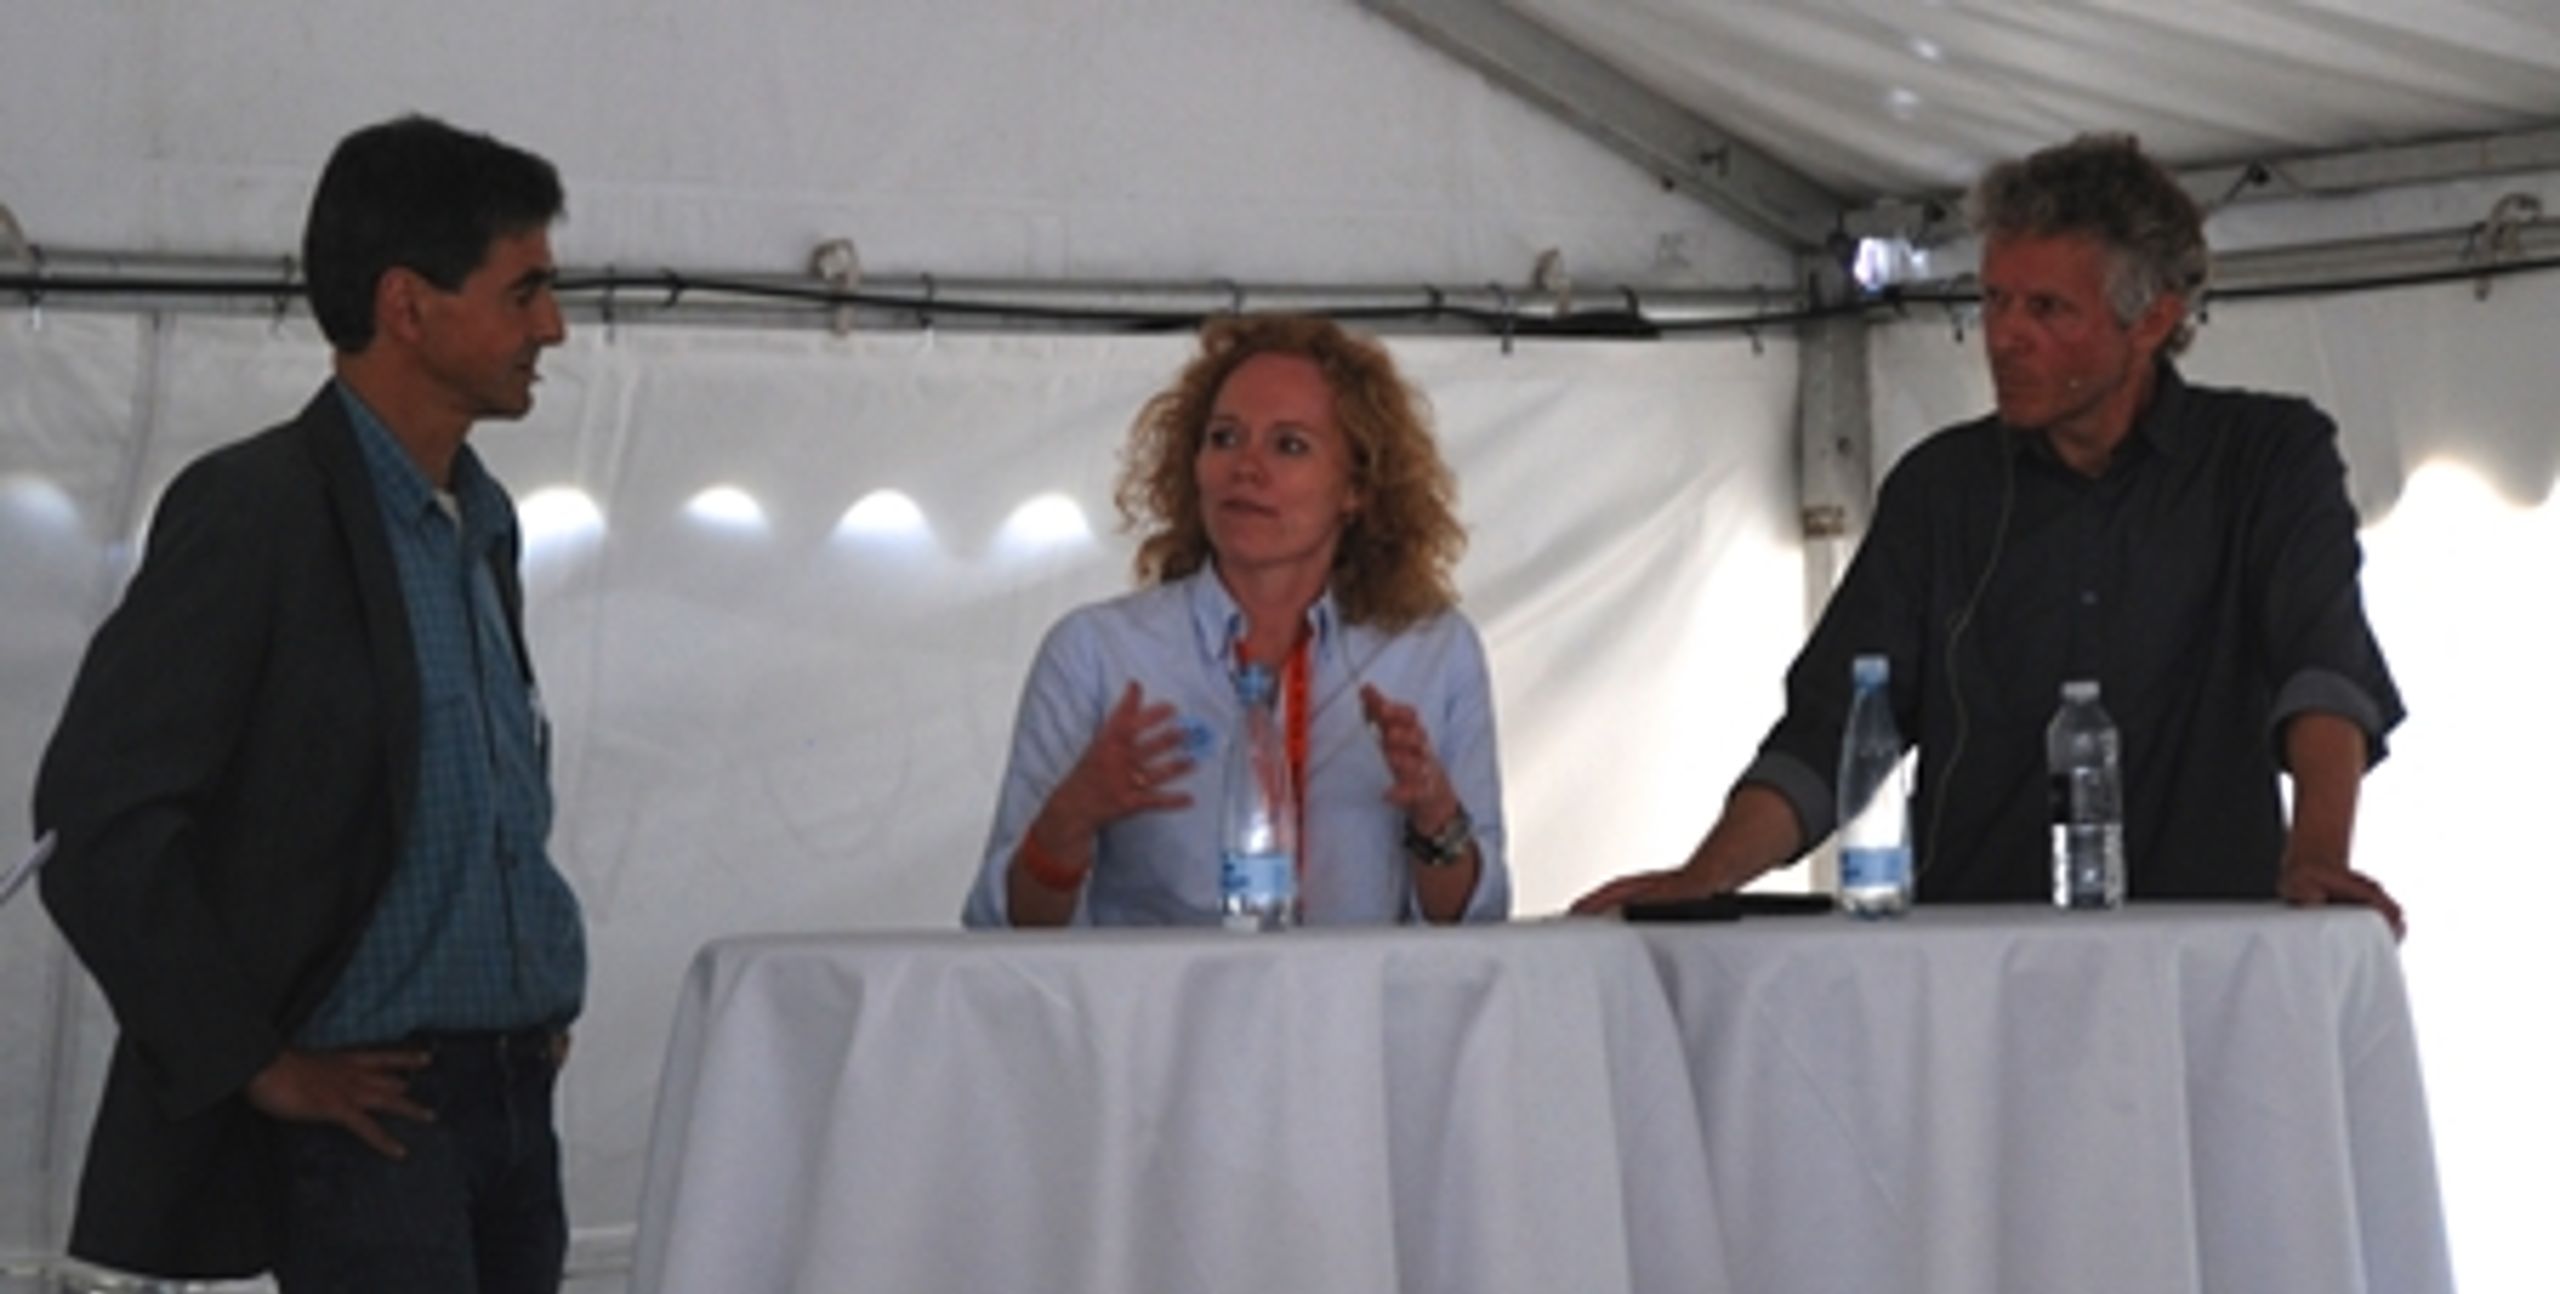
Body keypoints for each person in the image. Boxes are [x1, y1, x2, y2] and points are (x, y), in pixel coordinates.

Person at [32, 115, 584, 1294]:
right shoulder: (260, 508)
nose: (555, 326)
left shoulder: (483, 517)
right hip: (379, 1112)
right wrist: (253, 1058)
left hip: (513, 1094)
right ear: (408, 305)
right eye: (525, 289)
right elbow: (99, 819)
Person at [1578, 133, 2406, 931]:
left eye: (2046, 308)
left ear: (2151, 322)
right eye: (1994, 299)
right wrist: (1708, 874)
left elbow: (2323, 667)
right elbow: (1832, 725)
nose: (2004, 335)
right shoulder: (1941, 489)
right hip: (1976, 971)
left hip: (2208, 958)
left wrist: (2319, 855)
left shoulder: (2266, 458)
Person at [964, 313, 1509, 927]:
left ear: (1358, 485)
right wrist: (1066, 823)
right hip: (1157, 1019)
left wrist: (1436, 815)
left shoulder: (1432, 653)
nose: (1245, 467)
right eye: (1224, 437)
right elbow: (1003, 931)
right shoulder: (1098, 652)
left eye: (1289, 445)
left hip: (1355, 1019)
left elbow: (1475, 924)